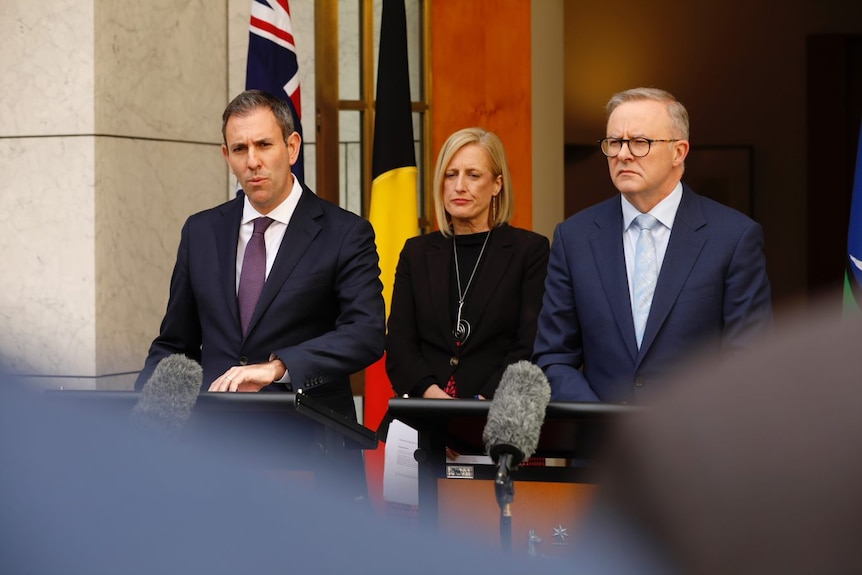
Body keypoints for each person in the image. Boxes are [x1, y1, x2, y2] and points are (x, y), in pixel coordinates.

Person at [136, 90, 385, 423]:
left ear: (292, 146)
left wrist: (279, 367)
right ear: (227, 156)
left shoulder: (345, 233)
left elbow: (365, 333)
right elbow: (175, 344)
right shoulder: (200, 232)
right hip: (214, 446)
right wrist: (141, 416)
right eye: (240, 149)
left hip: (309, 441)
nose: (252, 161)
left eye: (264, 145)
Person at [532, 87, 772, 403]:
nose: (623, 154)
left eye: (640, 142)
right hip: (601, 446)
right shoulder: (574, 238)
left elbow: (749, 358)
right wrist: (600, 423)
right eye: (615, 142)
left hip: (695, 445)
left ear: (679, 151)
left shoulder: (733, 237)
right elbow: (553, 358)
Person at [386, 127, 549, 400]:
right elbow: (400, 343)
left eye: (473, 175)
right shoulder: (416, 252)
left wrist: (476, 407)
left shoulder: (529, 251)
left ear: (497, 184)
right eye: (451, 175)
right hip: (422, 412)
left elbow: (529, 345)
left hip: (494, 413)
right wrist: (435, 399)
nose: (459, 186)